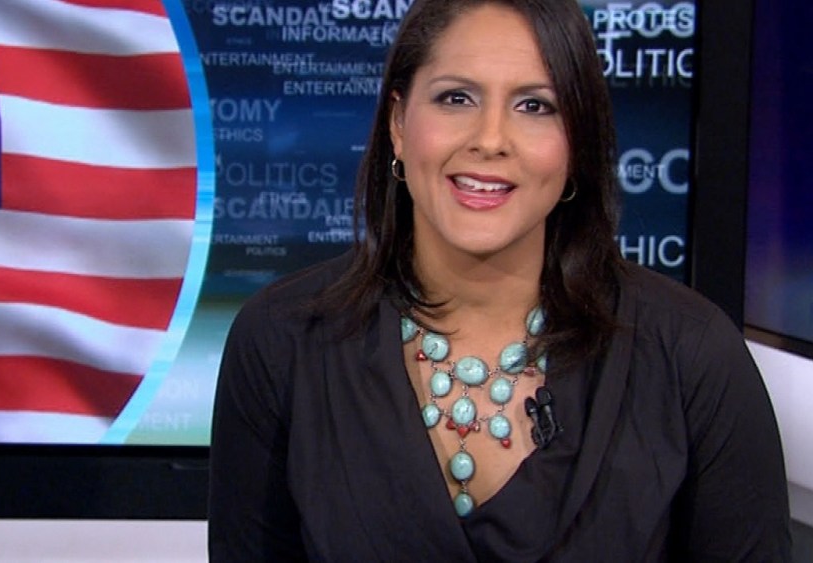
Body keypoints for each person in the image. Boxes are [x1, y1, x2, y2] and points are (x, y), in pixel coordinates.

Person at [207, 0, 792, 560]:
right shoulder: (281, 342)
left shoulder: (692, 356)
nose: (490, 139)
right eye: (456, 98)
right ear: (399, 124)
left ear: (577, 143)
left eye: (535, 105)